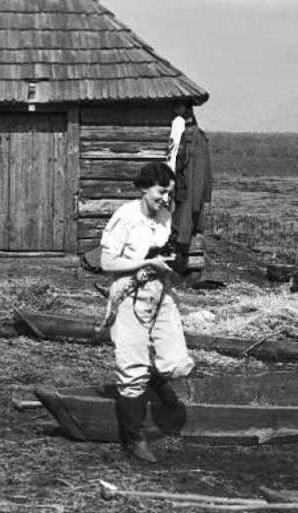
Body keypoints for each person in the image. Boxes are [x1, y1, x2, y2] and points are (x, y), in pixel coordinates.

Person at [98, 161, 195, 463]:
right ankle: (133, 439)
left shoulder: (164, 216)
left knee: (178, 365)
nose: (165, 198)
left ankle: (153, 374)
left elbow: (163, 251)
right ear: (143, 188)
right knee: (132, 372)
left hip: (160, 291)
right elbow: (107, 263)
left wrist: (170, 262)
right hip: (129, 294)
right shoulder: (125, 217)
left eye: (169, 193)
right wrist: (145, 264)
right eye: (161, 192)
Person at [166, 103, 213, 276]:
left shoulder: (192, 136)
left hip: (184, 188)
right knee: (182, 224)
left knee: (179, 226)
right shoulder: (196, 135)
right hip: (186, 190)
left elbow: (181, 164)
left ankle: (176, 266)